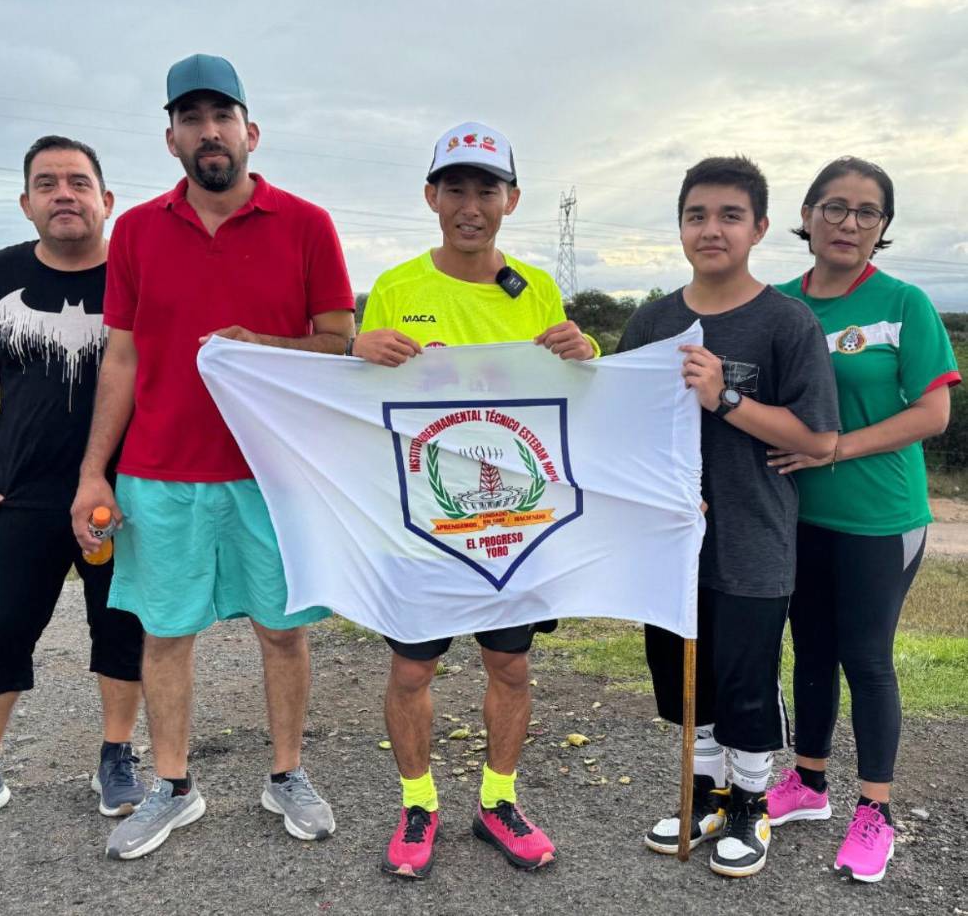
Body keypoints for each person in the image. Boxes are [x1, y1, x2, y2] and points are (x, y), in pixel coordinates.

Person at [70, 54, 354, 860]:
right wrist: (95, 469)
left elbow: (339, 342)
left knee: (284, 633)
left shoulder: (306, 223)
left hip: (275, 473)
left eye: (221, 116)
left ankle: (287, 774)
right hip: (159, 471)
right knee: (164, 634)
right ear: (171, 140)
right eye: (191, 119)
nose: (209, 132)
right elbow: (121, 357)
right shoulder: (136, 231)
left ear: (250, 131)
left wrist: (260, 345)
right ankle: (173, 785)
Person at [355, 122, 598, 878]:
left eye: (486, 189)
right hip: (424, 523)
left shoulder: (538, 288)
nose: (470, 204)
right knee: (410, 674)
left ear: (511, 199)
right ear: (431, 196)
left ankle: (498, 800)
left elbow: (567, 406)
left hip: (512, 525)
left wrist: (586, 360)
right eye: (454, 187)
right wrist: (355, 350)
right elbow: (359, 410)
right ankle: (418, 803)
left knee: (513, 671)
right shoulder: (396, 287)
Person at [617, 156, 840, 878]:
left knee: (745, 680)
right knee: (687, 682)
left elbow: (818, 439)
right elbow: (621, 427)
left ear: (761, 228)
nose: (710, 230)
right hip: (670, 543)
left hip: (753, 540)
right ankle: (704, 795)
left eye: (729, 215)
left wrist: (727, 400)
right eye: (696, 215)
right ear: (680, 226)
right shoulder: (652, 321)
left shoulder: (785, 322)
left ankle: (751, 803)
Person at [0, 136, 145, 843]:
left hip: (122, 493)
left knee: (122, 629)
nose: (64, 194)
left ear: (106, 200)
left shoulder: (138, 274)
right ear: (26, 203)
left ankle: (116, 756)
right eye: (47, 183)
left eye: (78, 182)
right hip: (17, 492)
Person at [765, 157, 960, 883]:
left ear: (882, 229)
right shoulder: (778, 303)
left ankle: (874, 810)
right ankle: (808, 783)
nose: (849, 223)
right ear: (808, 215)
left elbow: (934, 412)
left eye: (867, 213)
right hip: (796, 514)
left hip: (881, 517)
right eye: (835, 207)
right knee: (808, 649)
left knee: (866, 659)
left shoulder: (904, 303)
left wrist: (834, 448)